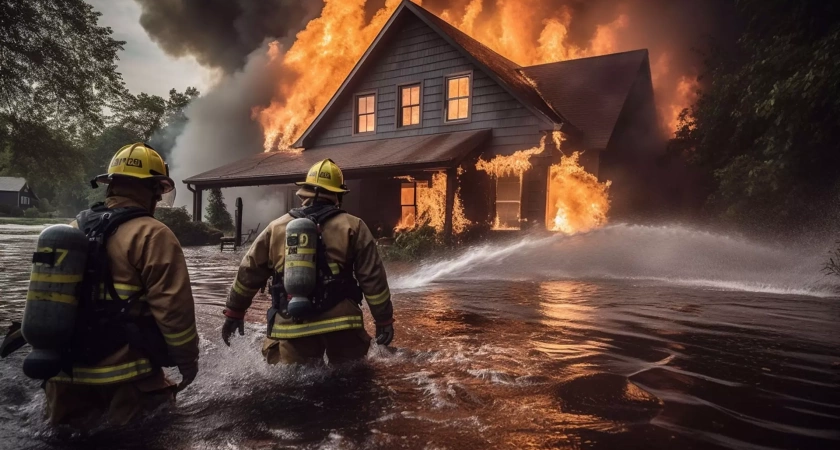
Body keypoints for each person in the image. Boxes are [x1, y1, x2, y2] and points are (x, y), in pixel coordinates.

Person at [45, 143, 199, 428]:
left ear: (111, 185)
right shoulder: (154, 234)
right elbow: (174, 313)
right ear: (153, 190)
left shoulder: (73, 228)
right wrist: (188, 363)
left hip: (63, 379)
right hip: (126, 381)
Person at [221, 159, 394, 364]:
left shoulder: (277, 227)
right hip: (343, 324)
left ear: (305, 192)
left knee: (295, 387)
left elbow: (248, 272)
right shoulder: (353, 226)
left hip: (292, 323)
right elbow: (373, 279)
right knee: (352, 383)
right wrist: (383, 319)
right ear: (338, 194)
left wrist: (234, 311)